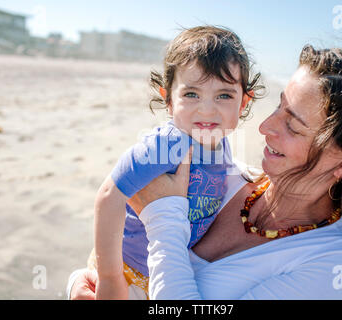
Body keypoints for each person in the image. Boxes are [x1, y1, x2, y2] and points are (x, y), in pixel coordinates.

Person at [69, 45, 342, 299]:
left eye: (292, 127)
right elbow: (123, 249)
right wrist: (83, 284)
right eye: (279, 107)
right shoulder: (224, 176)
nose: (265, 127)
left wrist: (163, 217)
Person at [92, 26, 263, 299]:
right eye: (192, 94)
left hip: (168, 269)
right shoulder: (167, 145)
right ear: (168, 99)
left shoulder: (222, 142)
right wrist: (109, 277)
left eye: (224, 95)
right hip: (128, 269)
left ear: (243, 103)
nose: (206, 109)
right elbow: (108, 195)